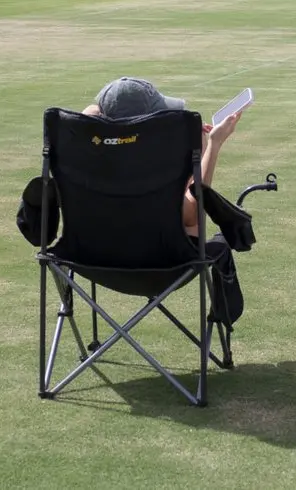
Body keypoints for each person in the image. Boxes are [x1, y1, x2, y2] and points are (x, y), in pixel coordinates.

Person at [81, 77, 245, 322]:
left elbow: (88, 115)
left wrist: (97, 123)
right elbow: (190, 213)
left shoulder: (82, 152)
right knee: (196, 225)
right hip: (164, 267)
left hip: (93, 262)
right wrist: (212, 145)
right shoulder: (158, 159)